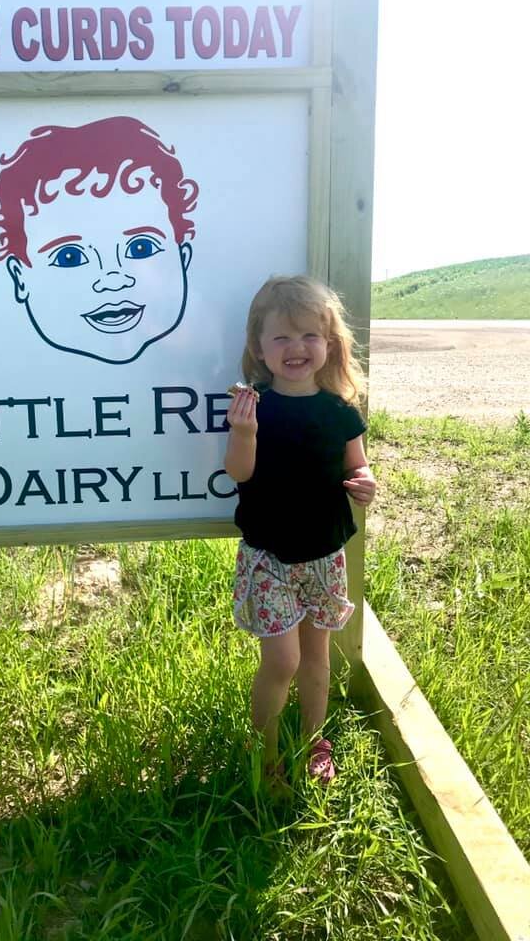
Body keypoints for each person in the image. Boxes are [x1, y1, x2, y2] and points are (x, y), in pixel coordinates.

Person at [224, 275, 376, 792]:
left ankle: (315, 739)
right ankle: (264, 751)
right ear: (259, 349)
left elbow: (357, 465)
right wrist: (244, 434)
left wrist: (365, 483)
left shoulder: (339, 410)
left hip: (325, 555)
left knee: (316, 656)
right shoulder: (256, 406)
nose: (296, 348)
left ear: (329, 345)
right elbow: (239, 474)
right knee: (282, 659)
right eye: (282, 338)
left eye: (310, 336)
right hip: (268, 555)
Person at [0, 116, 198, 365]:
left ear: (183, 258)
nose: (113, 280)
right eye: (70, 257)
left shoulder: (203, 352)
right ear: (19, 277)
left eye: (141, 247)